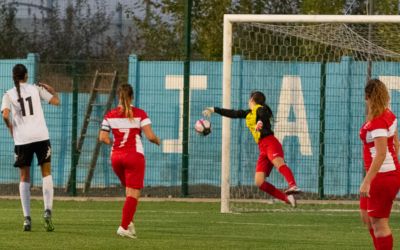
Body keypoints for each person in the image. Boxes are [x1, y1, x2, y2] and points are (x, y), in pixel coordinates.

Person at [203, 91, 300, 207]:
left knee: (279, 163)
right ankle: (287, 198)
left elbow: (263, 115)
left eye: (249, 99)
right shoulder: (249, 114)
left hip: (270, 143)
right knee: (259, 182)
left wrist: (260, 122)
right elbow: (234, 113)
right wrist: (214, 109)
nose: (248, 102)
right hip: (262, 147)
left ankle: (292, 185)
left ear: (252, 100)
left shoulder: (260, 109)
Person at [1, 64, 60, 232]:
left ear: (13, 76)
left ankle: (27, 218)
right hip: (41, 136)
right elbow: (56, 101)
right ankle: (48, 211)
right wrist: (52, 90)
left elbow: (5, 114)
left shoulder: (8, 94)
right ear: (26, 76)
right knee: (46, 173)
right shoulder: (36, 89)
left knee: (24, 177)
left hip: (22, 140)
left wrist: (10, 127)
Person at [99, 83, 160, 239]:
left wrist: (115, 144)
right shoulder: (140, 113)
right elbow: (150, 136)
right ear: (132, 97)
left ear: (118, 97)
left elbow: (103, 138)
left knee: (129, 191)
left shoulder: (109, 115)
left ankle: (129, 222)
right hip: (134, 156)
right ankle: (124, 226)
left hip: (116, 158)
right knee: (134, 193)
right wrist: (158, 141)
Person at [359, 79, 400, 250]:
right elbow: (396, 143)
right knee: (367, 218)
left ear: (367, 97)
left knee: (379, 225)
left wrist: (367, 181)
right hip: (386, 174)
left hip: (381, 176)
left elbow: (381, 154)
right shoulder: (387, 114)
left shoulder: (378, 121)